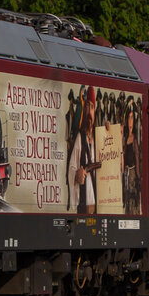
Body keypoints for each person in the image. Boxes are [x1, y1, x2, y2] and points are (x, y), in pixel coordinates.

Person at [68, 86, 99, 214]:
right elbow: (71, 167)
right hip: (84, 202)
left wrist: (110, 132)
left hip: (99, 204)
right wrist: (77, 175)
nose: (88, 111)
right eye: (86, 107)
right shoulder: (80, 138)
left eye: (91, 107)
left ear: (94, 111)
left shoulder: (100, 137)